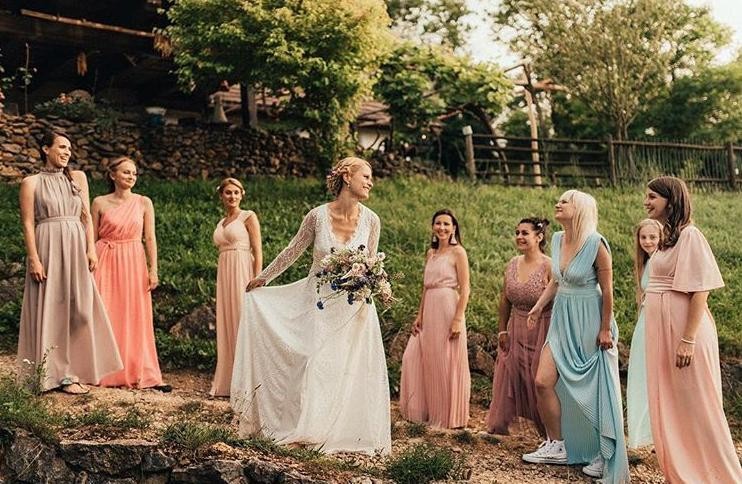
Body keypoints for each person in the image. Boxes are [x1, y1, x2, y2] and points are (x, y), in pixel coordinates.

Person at [230, 157, 391, 454]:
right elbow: (293, 250)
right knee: (315, 361)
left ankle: (334, 431)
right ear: (347, 177)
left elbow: (370, 264)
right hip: (316, 303)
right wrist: (264, 277)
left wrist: (377, 288)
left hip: (353, 307)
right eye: (366, 176)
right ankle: (306, 428)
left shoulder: (372, 220)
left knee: (344, 366)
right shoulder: (317, 216)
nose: (371, 182)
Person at [521, 190, 629, 483]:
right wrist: (537, 307)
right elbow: (557, 281)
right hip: (562, 318)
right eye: (558, 200)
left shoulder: (596, 244)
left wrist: (604, 329)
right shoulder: (557, 239)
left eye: (565, 201)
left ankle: (602, 452)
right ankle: (557, 445)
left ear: (579, 209)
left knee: (593, 389)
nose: (558, 204)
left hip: (590, 319)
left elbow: (608, 290)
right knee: (543, 381)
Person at [642, 176, 742, 482]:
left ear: (670, 200)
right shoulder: (666, 239)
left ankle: (720, 476)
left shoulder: (690, 235)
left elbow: (701, 291)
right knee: (670, 402)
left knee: (697, 403)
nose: (646, 202)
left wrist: (688, 339)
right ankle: (683, 472)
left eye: (652, 197)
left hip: (684, 330)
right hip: (661, 330)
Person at [17, 131, 122, 394]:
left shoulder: (78, 178)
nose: (67, 152)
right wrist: (34, 258)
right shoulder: (31, 183)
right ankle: (55, 376)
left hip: (76, 245)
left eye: (69, 148)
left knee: (82, 310)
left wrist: (91, 249)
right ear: (45, 149)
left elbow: (86, 217)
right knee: (51, 308)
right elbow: (28, 223)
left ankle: (73, 369)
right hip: (47, 245)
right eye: (62, 147)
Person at [91, 157, 168, 391]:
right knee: (105, 312)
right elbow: (91, 237)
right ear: (112, 175)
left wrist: (153, 269)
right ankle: (103, 370)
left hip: (133, 260)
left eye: (134, 173)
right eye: (126, 172)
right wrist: (89, 262)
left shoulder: (143, 202)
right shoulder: (99, 202)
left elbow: (150, 238)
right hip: (105, 258)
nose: (131, 177)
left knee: (133, 313)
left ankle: (136, 370)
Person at [399, 209, 471, 429]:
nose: (442, 227)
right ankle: (422, 411)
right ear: (433, 227)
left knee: (445, 361)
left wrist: (458, 318)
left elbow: (466, 288)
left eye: (446, 224)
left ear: (454, 228)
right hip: (429, 308)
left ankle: (448, 417)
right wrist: (419, 315)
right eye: (438, 223)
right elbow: (425, 287)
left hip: (448, 307)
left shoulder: (458, 252)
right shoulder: (431, 253)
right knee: (414, 357)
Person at [486, 217, 551, 436]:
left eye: (525, 233)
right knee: (509, 375)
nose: (519, 237)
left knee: (538, 381)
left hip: (541, 331)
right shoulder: (513, 263)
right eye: (517, 233)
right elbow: (505, 300)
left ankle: (549, 432)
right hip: (516, 329)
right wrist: (502, 329)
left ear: (539, 237)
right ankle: (499, 427)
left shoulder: (549, 265)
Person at [210, 177, 262, 397]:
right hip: (225, 271)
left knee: (242, 319)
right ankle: (228, 380)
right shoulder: (222, 221)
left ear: (242, 195)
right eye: (228, 192)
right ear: (221, 196)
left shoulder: (248, 216)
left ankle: (250, 381)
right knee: (226, 320)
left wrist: (258, 278)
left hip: (242, 268)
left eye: (236, 192)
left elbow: (257, 249)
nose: (232, 196)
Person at [625, 218, 662, 449]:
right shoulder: (645, 262)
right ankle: (646, 432)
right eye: (643, 237)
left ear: (661, 237)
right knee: (642, 373)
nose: (647, 242)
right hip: (645, 321)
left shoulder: (661, 260)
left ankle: (657, 431)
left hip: (658, 321)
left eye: (653, 237)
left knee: (655, 373)